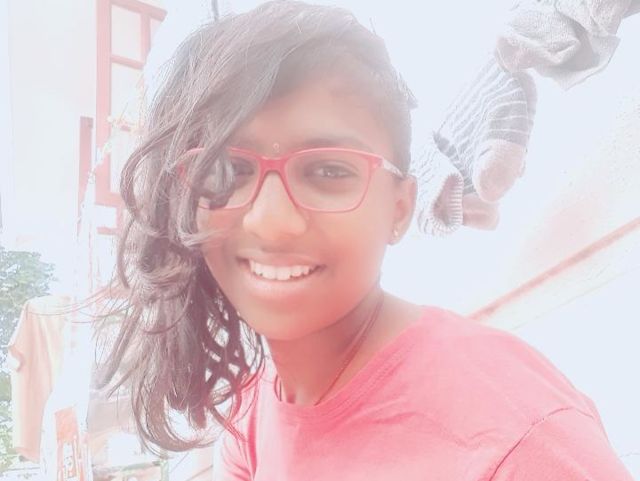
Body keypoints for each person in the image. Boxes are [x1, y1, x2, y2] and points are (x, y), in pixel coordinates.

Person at [98, 1, 635, 480]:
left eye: (329, 171)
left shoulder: (520, 443)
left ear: (400, 208)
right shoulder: (253, 416)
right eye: (226, 171)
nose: (272, 222)